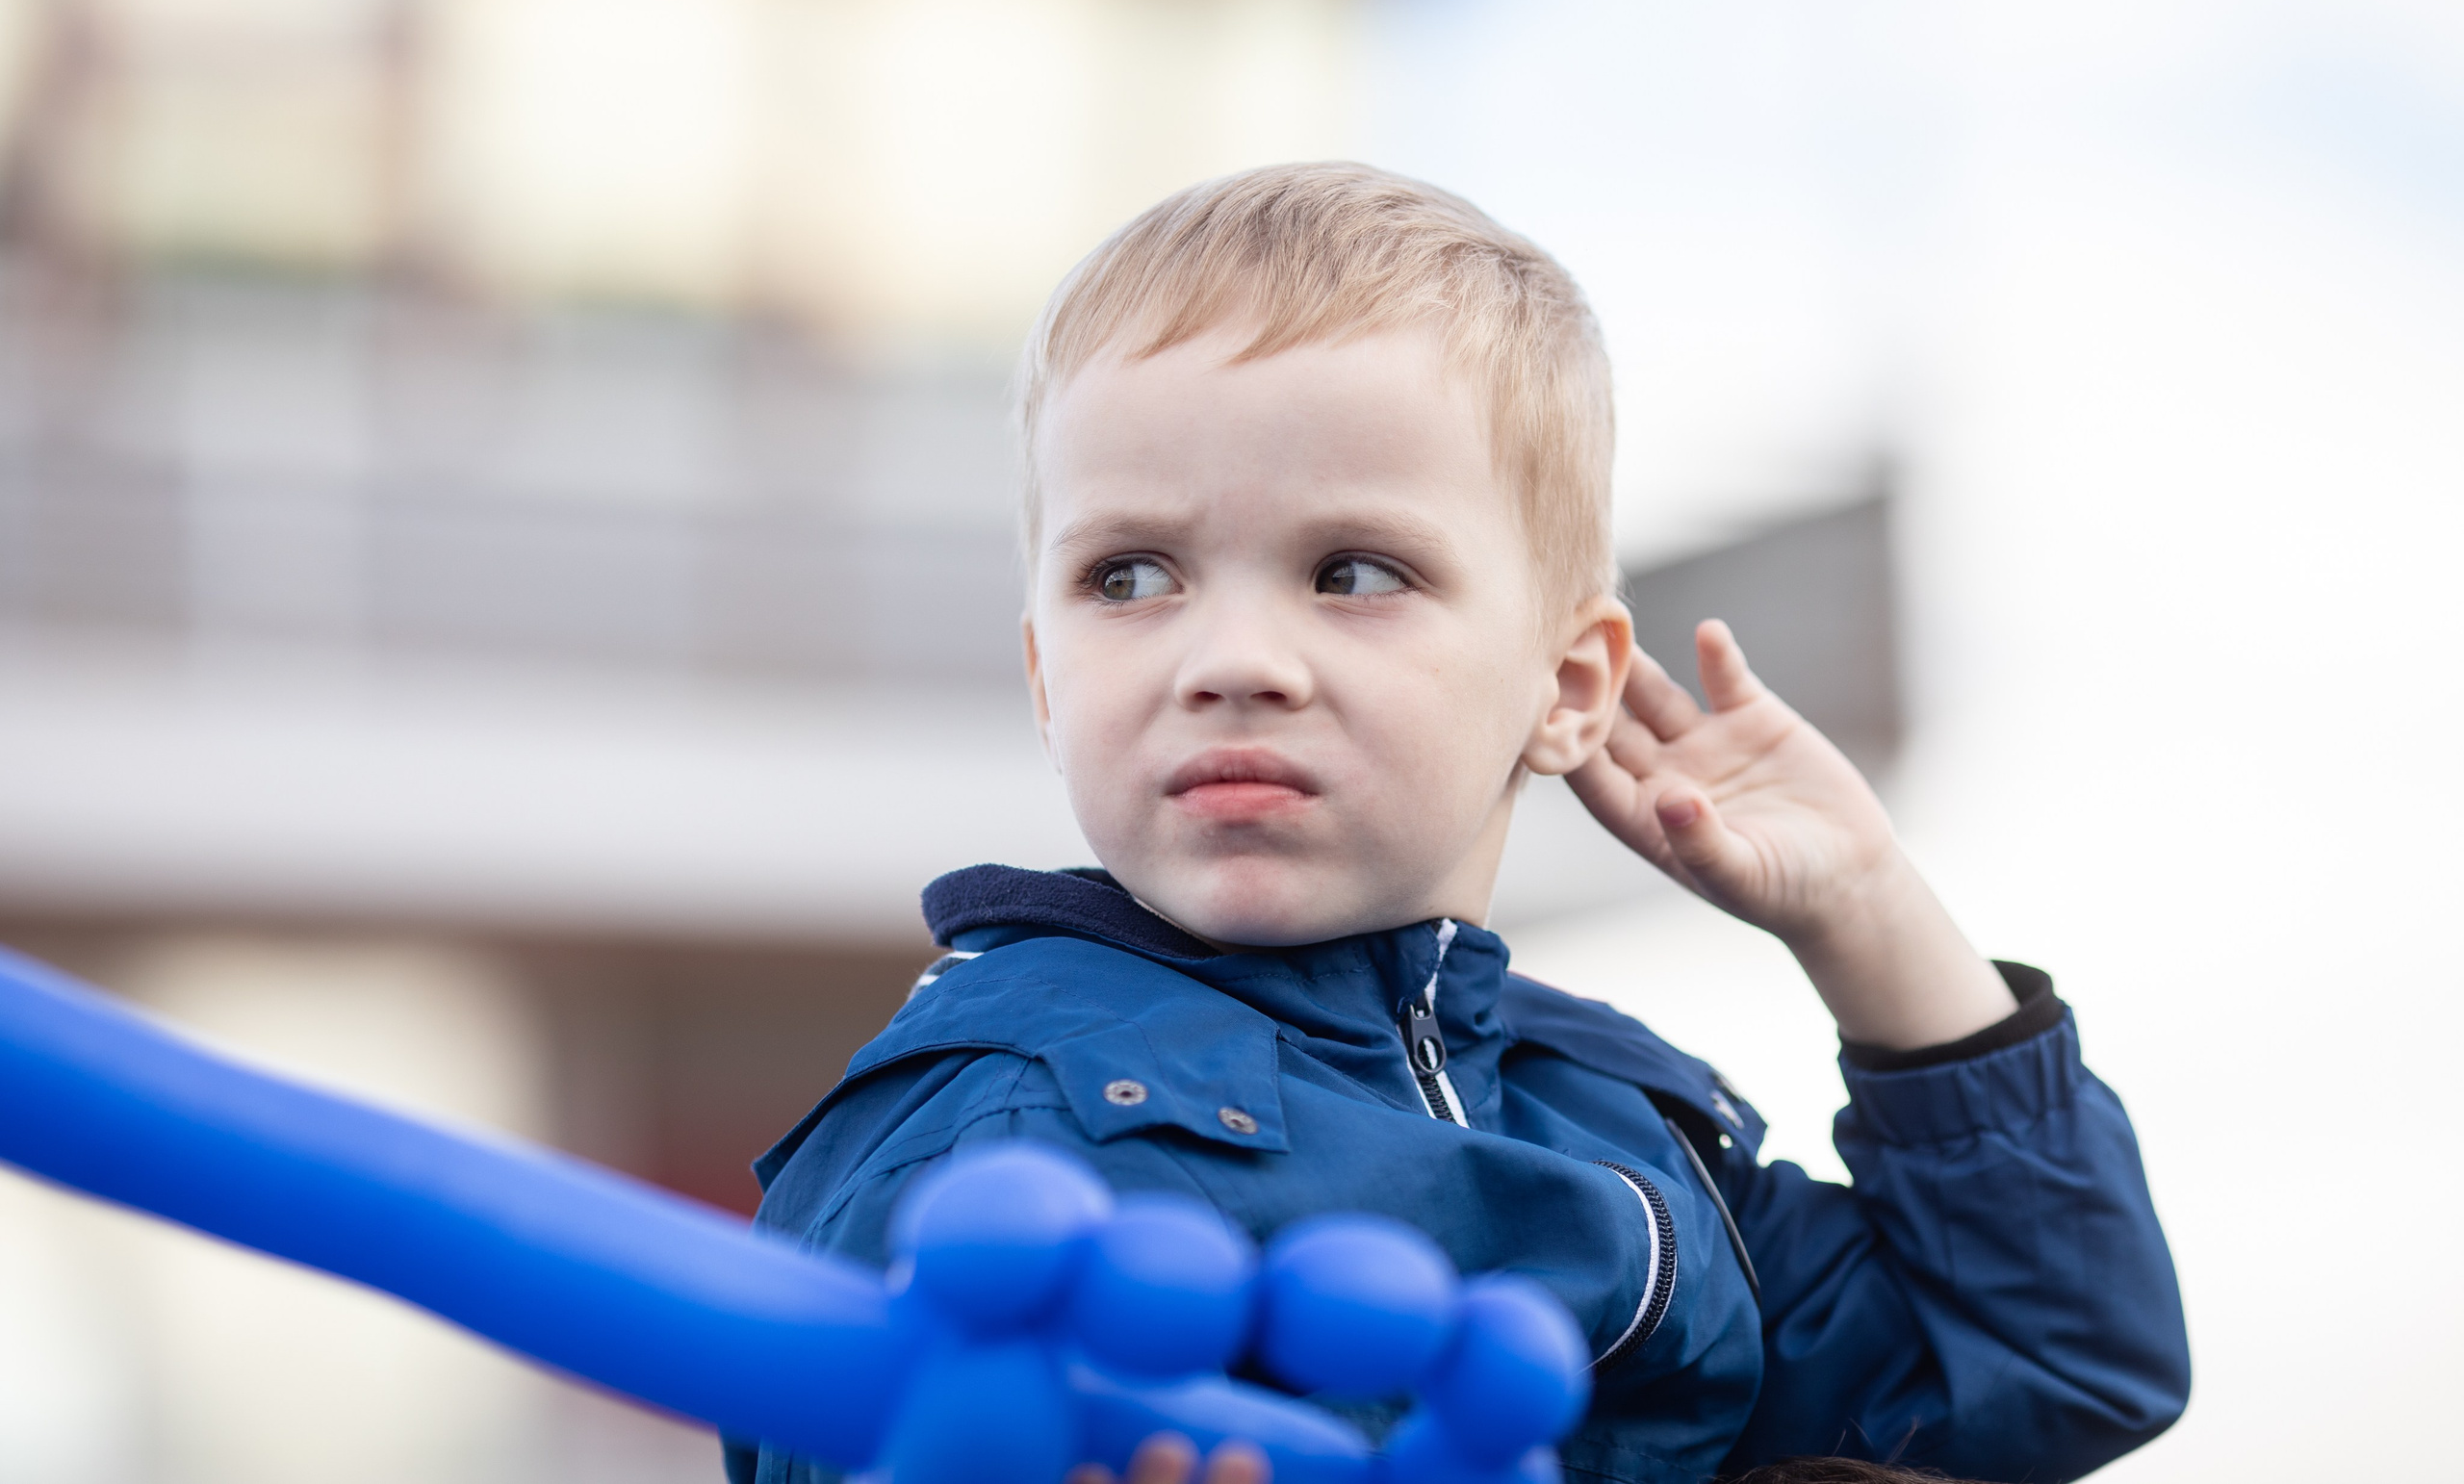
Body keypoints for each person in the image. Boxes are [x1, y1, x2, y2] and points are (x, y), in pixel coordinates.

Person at [730, 165, 2189, 1484]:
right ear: (1046, 678)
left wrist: (1864, 907)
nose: (1232, 657)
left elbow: (2055, 1373)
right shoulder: (995, 1134)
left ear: (1565, 688)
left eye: (1353, 573)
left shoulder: (1619, 1133)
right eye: (1129, 576)